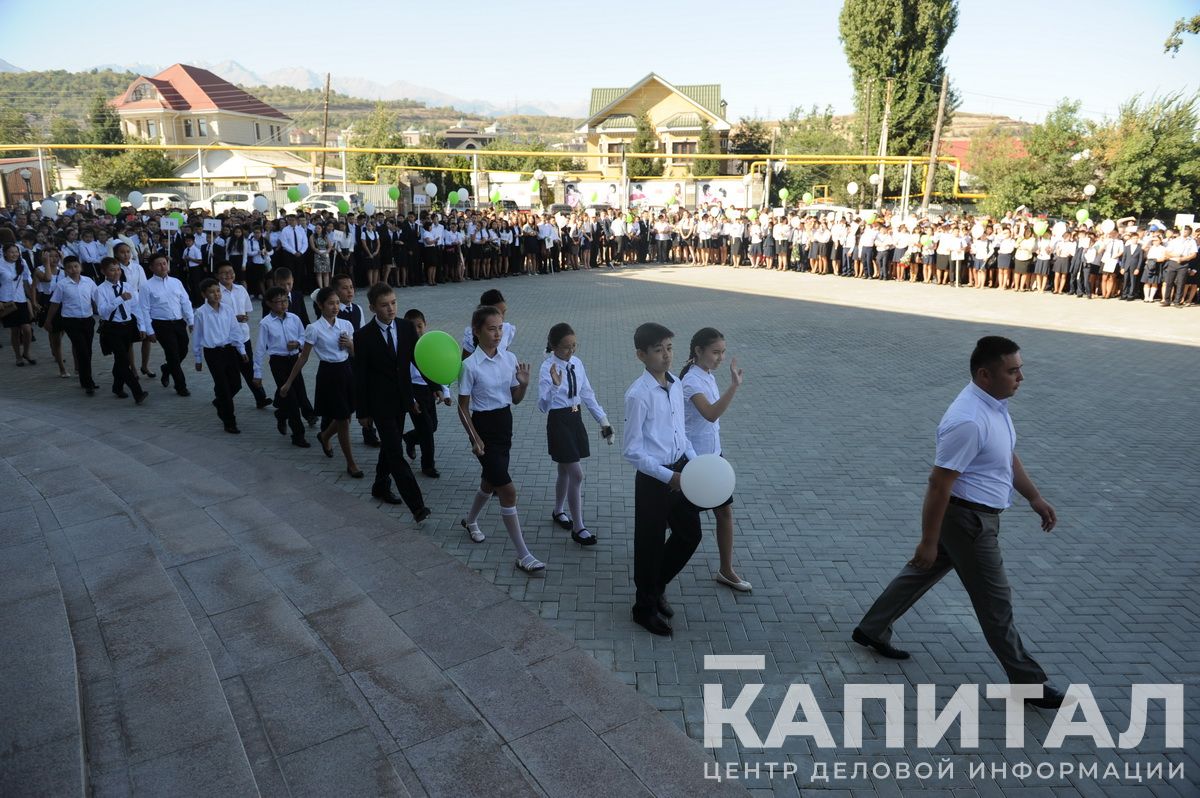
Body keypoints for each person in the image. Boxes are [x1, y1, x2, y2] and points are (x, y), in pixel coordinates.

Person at [852, 336, 1066, 709]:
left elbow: (1007, 457)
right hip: (969, 523)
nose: (1021, 377)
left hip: (972, 519)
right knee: (995, 604)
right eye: (1012, 370)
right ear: (985, 375)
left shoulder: (994, 406)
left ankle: (871, 629)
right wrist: (927, 539)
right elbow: (939, 484)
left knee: (920, 572)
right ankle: (1028, 682)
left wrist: (1034, 497)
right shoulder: (968, 420)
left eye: (1020, 368)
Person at [622, 322, 702, 637]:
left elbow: (680, 432)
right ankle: (644, 608)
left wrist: (695, 463)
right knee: (650, 545)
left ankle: (657, 587)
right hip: (655, 479)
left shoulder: (677, 383)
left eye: (669, 348)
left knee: (689, 535)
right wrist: (671, 476)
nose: (666, 356)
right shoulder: (638, 394)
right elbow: (631, 451)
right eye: (658, 350)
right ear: (641, 355)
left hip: (682, 470)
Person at [456, 305, 543, 573]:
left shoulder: (509, 358)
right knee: (507, 490)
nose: (497, 334)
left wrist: (524, 384)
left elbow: (514, 400)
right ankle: (524, 554)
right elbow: (462, 407)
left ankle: (470, 521)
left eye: (500, 328)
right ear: (477, 331)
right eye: (491, 329)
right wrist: (474, 438)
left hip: (505, 425)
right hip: (483, 429)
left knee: (490, 482)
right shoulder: (469, 365)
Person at [680, 328, 750, 592]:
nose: (721, 358)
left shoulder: (706, 375)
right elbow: (710, 414)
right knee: (677, 518)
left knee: (724, 512)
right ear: (698, 351)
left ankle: (726, 570)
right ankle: (652, 557)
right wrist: (733, 387)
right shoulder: (691, 381)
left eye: (723, 352)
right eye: (715, 352)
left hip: (712, 458)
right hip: (693, 462)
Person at [352, 283, 430, 520]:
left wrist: (437, 387)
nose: (391, 309)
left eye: (393, 303)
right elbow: (360, 377)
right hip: (379, 404)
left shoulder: (406, 328)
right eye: (384, 305)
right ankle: (417, 506)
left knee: (390, 445)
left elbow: (420, 360)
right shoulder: (363, 336)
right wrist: (362, 412)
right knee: (396, 452)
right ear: (373, 307)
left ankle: (380, 485)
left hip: (402, 400)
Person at [538, 323, 613, 546]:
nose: (571, 352)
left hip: (575, 418)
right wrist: (553, 385)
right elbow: (542, 406)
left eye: (574, 346)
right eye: (566, 348)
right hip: (559, 421)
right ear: (553, 346)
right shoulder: (547, 368)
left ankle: (558, 511)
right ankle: (578, 527)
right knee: (577, 475)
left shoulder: (577, 363)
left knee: (564, 470)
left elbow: (587, 394)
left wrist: (603, 421)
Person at [281, 287, 361, 477]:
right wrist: (288, 382)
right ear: (320, 305)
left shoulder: (346, 325)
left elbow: (355, 354)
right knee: (342, 420)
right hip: (329, 374)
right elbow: (303, 357)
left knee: (347, 416)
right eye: (330, 303)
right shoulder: (314, 328)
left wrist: (349, 345)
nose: (335, 307)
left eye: (337, 303)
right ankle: (351, 463)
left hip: (347, 372)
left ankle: (324, 436)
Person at [253, 286, 310, 448]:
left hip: (294, 361)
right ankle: (298, 435)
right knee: (290, 398)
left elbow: (303, 336)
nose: (283, 304)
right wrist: (257, 372)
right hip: (278, 362)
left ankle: (280, 413)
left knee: (299, 395)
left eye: (285, 300)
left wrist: (298, 343)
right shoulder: (266, 323)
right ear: (270, 304)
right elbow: (259, 349)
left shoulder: (294, 318)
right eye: (278, 302)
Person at [192, 278, 248, 434]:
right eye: (211, 292)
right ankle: (229, 421)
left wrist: (241, 350)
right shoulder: (200, 313)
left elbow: (235, 331)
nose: (216, 294)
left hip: (229, 350)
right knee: (223, 386)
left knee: (236, 384)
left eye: (218, 291)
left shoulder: (228, 309)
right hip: (213, 353)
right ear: (204, 294)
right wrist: (198, 358)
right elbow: (197, 336)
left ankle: (220, 402)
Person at [401, 308, 450, 478]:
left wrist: (445, 391)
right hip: (414, 391)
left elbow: (441, 368)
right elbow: (403, 376)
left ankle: (410, 438)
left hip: (429, 390)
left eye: (420, 326)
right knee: (427, 430)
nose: (417, 331)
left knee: (433, 426)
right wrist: (411, 399)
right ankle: (428, 465)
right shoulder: (404, 349)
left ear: (425, 325)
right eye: (412, 327)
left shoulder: (430, 345)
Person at [94, 258, 149, 404]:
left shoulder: (127, 286)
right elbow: (103, 311)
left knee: (120, 360)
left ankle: (117, 387)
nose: (116, 272)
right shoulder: (100, 290)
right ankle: (137, 392)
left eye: (118, 269)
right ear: (104, 272)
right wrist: (119, 299)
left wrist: (141, 326)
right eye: (112, 269)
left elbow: (136, 307)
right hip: (112, 328)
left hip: (128, 326)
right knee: (123, 361)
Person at [42, 255, 99, 395]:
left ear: (80, 267)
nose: (73, 270)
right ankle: (88, 383)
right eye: (69, 267)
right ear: (65, 270)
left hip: (87, 320)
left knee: (88, 351)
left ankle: (84, 379)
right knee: (82, 350)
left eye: (75, 266)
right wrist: (48, 320)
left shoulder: (89, 282)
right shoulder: (62, 284)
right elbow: (55, 304)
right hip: (71, 321)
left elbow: (96, 300)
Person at [216, 263, 270, 409]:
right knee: (230, 374)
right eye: (224, 272)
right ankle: (221, 398)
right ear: (217, 276)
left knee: (249, 368)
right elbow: (214, 317)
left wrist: (243, 318)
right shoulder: (215, 293)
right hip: (226, 340)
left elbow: (246, 311)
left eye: (231, 271)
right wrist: (235, 318)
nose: (228, 275)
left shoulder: (241, 290)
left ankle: (261, 397)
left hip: (243, 337)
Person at [139, 253, 194, 397]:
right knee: (173, 355)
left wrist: (191, 320)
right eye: (159, 264)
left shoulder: (176, 282)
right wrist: (149, 330)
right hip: (161, 325)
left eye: (164, 263)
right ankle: (180, 386)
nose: (163, 266)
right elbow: (144, 309)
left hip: (178, 322)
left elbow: (185, 302)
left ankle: (166, 368)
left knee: (183, 350)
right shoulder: (146, 286)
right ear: (151, 267)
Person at [2, 242, 37, 366]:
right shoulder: (0, 264)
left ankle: (26, 352)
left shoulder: (22, 263)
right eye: (11, 252)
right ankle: (18, 356)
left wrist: (33, 300)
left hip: (21, 299)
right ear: (5, 253)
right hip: (7, 301)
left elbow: (27, 281)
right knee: (15, 330)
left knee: (27, 329)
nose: (14, 254)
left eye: (16, 252)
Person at [460, 289, 515, 356]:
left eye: (504, 312)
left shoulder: (507, 329)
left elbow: (504, 355)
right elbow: (465, 361)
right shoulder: (471, 334)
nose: (502, 317)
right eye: (498, 313)